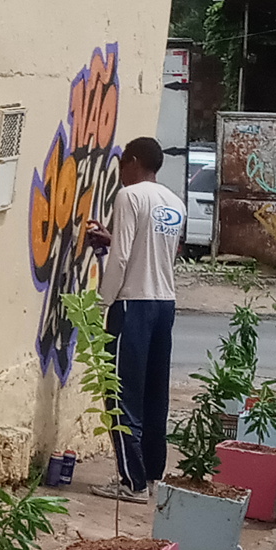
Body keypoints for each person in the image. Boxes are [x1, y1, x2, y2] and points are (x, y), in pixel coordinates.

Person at [83, 137, 184, 504]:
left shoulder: (129, 196)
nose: (120, 173)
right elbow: (155, 250)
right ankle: (153, 474)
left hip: (133, 305)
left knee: (120, 392)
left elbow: (122, 258)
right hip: (165, 303)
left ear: (133, 161)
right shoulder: (174, 202)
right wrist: (111, 237)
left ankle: (131, 481)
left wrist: (103, 303)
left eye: (121, 164)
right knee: (155, 392)